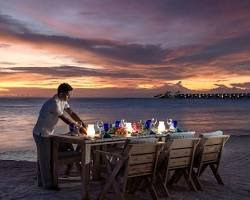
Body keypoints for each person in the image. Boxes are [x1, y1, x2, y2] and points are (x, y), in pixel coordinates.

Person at [33, 83, 87, 190]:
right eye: (68, 94)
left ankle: (41, 182)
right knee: (45, 160)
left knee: (42, 159)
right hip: (41, 133)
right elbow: (65, 119)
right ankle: (48, 185)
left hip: (48, 133)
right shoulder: (54, 103)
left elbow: (71, 113)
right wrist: (79, 128)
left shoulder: (63, 101)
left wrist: (81, 122)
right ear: (62, 93)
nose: (69, 96)